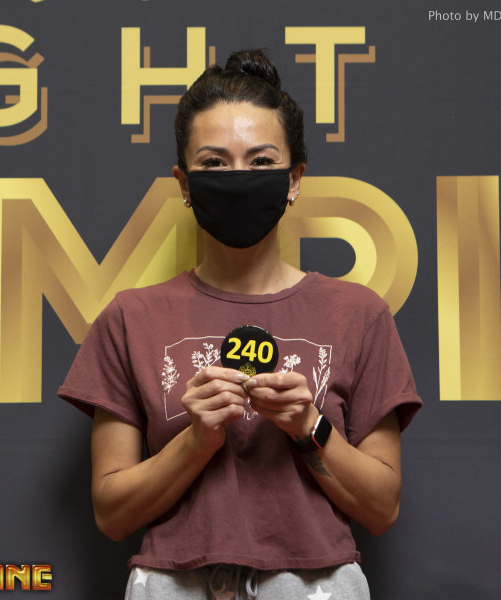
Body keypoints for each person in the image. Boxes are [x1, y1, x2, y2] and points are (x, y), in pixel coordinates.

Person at [59, 48, 421, 600]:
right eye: (213, 164)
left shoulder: (358, 314)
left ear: (294, 179)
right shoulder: (130, 318)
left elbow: (382, 507)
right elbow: (112, 514)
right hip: (172, 584)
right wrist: (196, 441)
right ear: (184, 183)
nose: (237, 178)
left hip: (315, 585)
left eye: (260, 161)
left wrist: (310, 425)